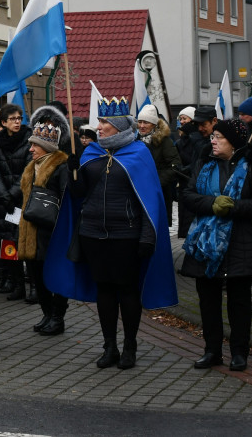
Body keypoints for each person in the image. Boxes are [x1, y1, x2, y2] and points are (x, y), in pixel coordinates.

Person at [46, 96, 177, 370]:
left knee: (128, 292)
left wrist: (147, 236)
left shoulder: (139, 154)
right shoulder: (92, 152)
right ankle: (109, 346)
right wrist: (72, 172)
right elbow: (79, 194)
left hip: (126, 235)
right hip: (93, 234)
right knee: (104, 291)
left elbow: (149, 200)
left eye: (104, 122)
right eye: (100, 121)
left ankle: (130, 345)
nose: (99, 126)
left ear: (118, 126)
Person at [181, 118, 252, 372]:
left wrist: (233, 207)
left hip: (240, 241)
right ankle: (211, 351)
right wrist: (212, 205)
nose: (213, 140)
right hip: (205, 243)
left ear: (234, 142)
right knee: (207, 301)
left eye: (219, 137)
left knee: (239, 302)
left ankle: (239, 353)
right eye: (213, 136)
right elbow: (188, 195)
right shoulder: (204, 162)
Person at [19, 107, 70, 336]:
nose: (30, 149)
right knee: (36, 275)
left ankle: (57, 318)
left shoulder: (61, 167)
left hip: (51, 232)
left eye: (35, 146)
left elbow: (66, 199)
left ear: (47, 147)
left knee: (55, 275)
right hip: (31, 230)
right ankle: (47, 314)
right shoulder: (31, 167)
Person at [0, 103, 33, 302]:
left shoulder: (29, 140)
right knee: (8, 244)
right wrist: (4, 196)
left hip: (23, 199)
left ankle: (33, 285)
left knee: (26, 243)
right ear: (3, 122)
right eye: (13, 119)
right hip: (6, 202)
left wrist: (12, 194)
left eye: (19, 118)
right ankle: (17, 284)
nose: (17, 122)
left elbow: (28, 170)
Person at [137, 105, 182, 228]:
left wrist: (156, 181)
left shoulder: (164, 141)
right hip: (138, 190)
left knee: (157, 226)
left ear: (153, 124)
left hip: (159, 191)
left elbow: (175, 166)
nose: (141, 126)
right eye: (139, 122)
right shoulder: (135, 140)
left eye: (145, 122)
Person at [178, 105, 217, 237]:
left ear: (214, 121)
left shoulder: (218, 140)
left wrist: (195, 139)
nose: (200, 129)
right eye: (197, 125)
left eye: (204, 124)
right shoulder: (199, 137)